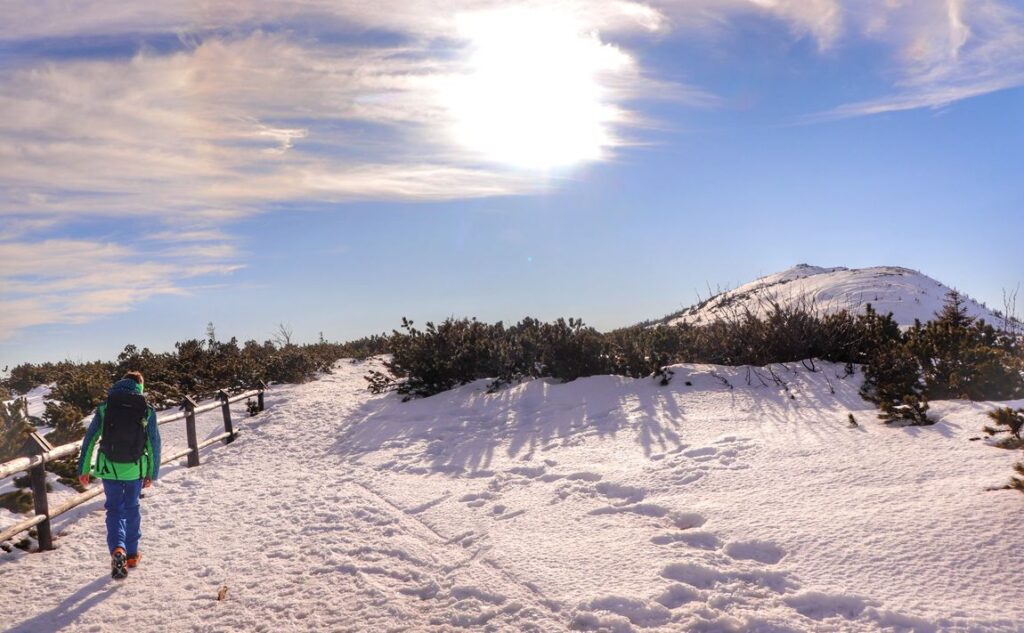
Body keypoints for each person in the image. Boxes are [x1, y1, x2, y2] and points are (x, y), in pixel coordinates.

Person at [77, 371, 161, 579]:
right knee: (132, 509)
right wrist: (152, 472)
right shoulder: (146, 409)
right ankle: (132, 555)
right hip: (134, 469)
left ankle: (118, 550)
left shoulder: (106, 408)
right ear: (139, 385)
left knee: (114, 510)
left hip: (109, 469)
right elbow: (153, 443)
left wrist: (83, 469)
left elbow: (90, 438)